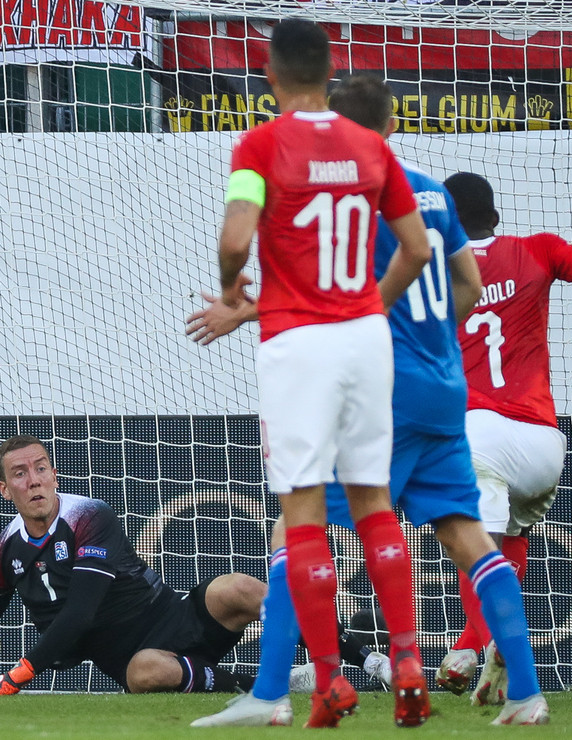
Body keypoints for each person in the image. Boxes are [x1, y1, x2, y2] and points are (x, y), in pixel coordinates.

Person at [189, 72, 550, 727]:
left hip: (387, 387)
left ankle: (272, 693)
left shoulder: (361, 194)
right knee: (466, 535)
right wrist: (432, 341)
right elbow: (468, 285)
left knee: (298, 527)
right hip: (448, 387)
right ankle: (526, 693)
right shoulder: (433, 192)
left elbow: (328, 294)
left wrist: (250, 312)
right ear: (393, 123)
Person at [204, 20, 436, 728]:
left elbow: (235, 238)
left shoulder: (260, 146)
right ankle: (406, 659)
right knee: (374, 504)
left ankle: (330, 678)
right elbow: (417, 249)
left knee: (303, 513)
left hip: (298, 343)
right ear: (331, 75)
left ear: (270, 77)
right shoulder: (371, 146)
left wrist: (232, 286)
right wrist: (370, 306)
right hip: (366, 340)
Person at [436, 172, 572, 706]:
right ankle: (478, 651)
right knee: (513, 533)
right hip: (544, 442)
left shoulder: (430, 270)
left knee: (471, 545)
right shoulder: (537, 249)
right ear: (495, 219)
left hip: (475, 433)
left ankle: (482, 645)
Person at [0, 435, 266, 696]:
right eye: (20, 474)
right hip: (134, 659)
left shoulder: (90, 516)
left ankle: (309, 650)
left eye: (41, 468)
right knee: (145, 672)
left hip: (174, 617)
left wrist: (14, 678)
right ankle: (254, 686)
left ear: (54, 476)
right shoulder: (2, 551)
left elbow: (81, 612)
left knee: (237, 587)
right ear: (4, 490)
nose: (34, 481)